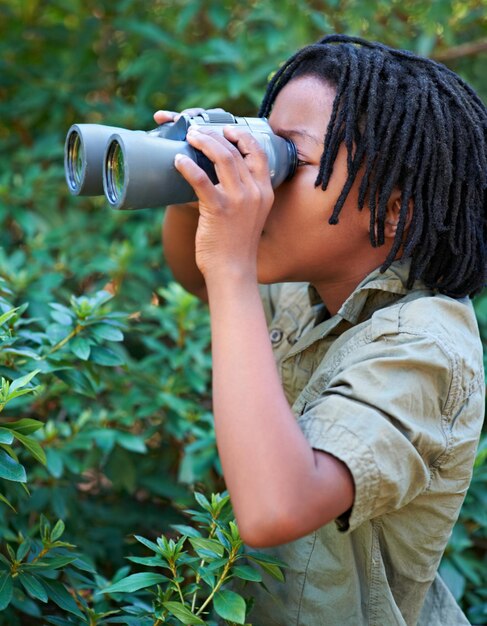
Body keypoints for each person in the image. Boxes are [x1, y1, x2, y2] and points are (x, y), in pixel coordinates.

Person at [155, 34, 486, 625]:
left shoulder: (426, 347)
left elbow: (274, 509)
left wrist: (232, 265)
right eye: (262, 147)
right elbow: (198, 281)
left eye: (292, 160)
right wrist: (193, 183)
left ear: (392, 207)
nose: (264, 178)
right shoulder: (318, 281)